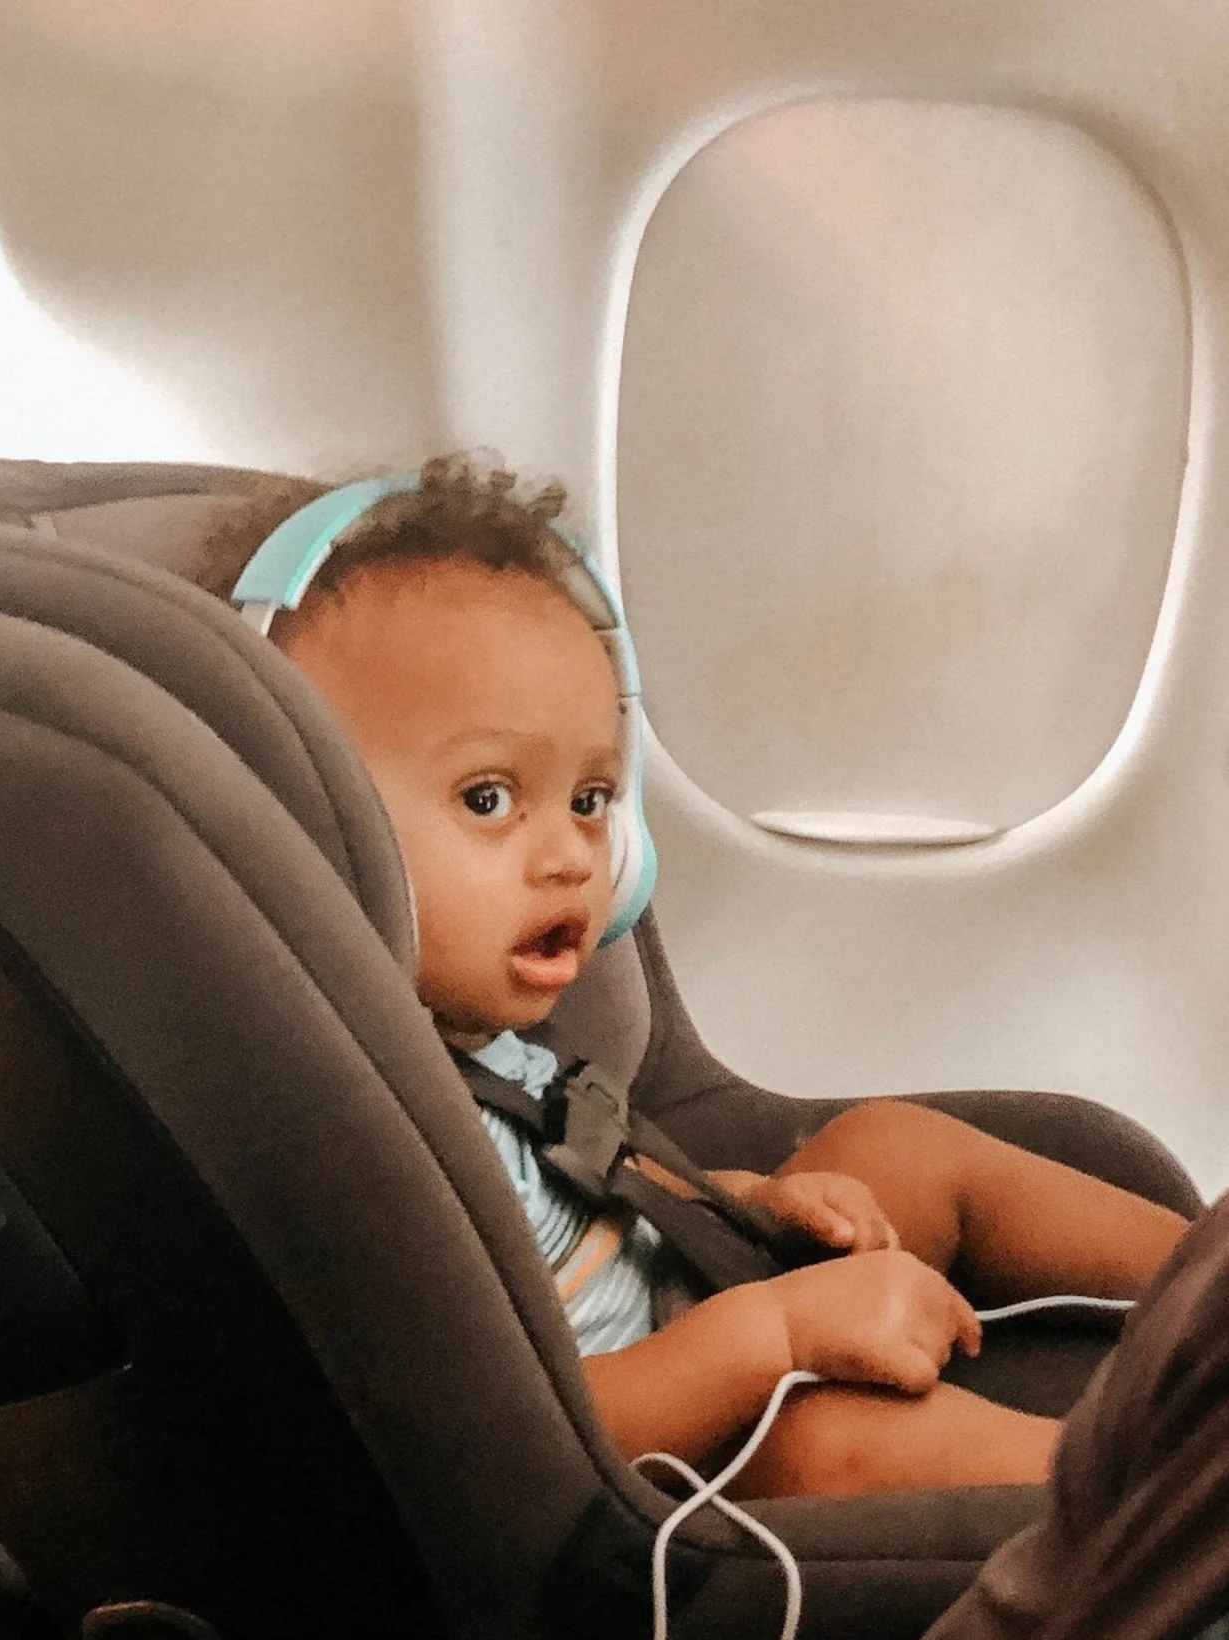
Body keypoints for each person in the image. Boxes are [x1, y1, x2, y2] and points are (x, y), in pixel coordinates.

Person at [201, 457, 1189, 1496]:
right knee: (827, 1445)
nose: (572, 855)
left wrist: (756, 1204)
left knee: (891, 1145)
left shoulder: (481, 1052)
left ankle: (1201, 1285)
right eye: (490, 799)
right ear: (298, 823)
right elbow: (512, 1442)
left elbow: (607, 1198)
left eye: (590, 799)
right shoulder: (358, 1150)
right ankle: (1151, 1518)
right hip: (668, 1471)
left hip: (700, 1305)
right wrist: (779, 1332)